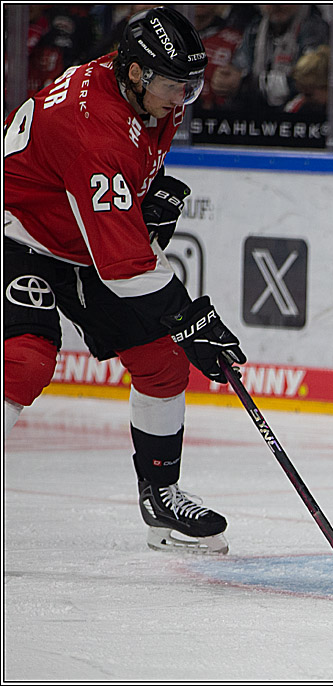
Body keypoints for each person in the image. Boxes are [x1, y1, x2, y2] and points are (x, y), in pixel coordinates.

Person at [3, 7, 246, 555]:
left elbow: (114, 207)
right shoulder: (94, 129)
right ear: (135, 73)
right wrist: (191, 319)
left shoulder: (149, 89)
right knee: (25, 360)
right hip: (13, 232)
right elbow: (127, 266)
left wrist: (142, 202)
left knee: (162, 362)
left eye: (191, 86)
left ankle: (161, 497)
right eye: (173, 85)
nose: (182, 99)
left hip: (75, 239)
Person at [212, 5, 329, 112]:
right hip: (260, 117)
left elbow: (304, 83)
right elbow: (239, 69)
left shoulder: (315, 30)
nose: (277, 5)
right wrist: (225, 78)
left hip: (299, 119)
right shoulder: (254, 28)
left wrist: (244, 83)